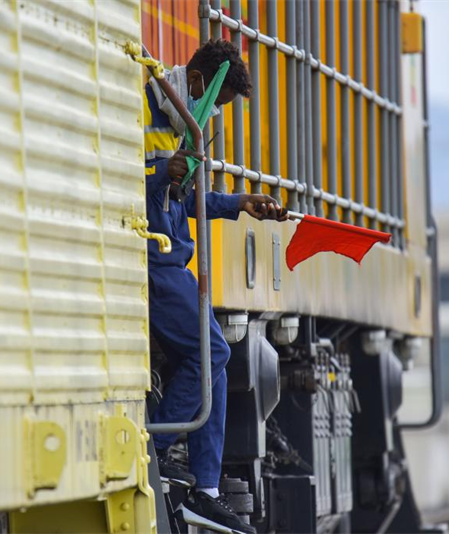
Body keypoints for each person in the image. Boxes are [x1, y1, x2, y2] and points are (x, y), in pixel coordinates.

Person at [144, 39, 287, 534]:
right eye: (220, 102)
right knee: (213, 354)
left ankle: (204, 489)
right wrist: (163, 171)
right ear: (201, 83)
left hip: (172, 260)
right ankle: (154, 453)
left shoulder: (181, 122)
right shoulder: (144, 109)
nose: (218, 113)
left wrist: (240, 202)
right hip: (152, 261)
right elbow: (121, 178)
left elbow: (184, 201)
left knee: (217, 360)